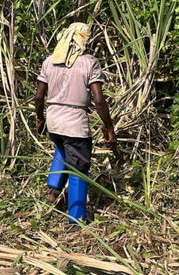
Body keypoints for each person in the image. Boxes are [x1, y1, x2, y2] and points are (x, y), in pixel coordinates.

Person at [35, 22, 117, 225]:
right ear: (84, 40)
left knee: (62, 149)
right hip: (75, 122)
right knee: (79, 168)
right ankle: (76, 218)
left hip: (54, 119)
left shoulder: (49, 61)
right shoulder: (89, 63)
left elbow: (38, 96)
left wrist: (39, 117)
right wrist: (109, 127)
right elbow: (98, 100)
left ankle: (53, 191)